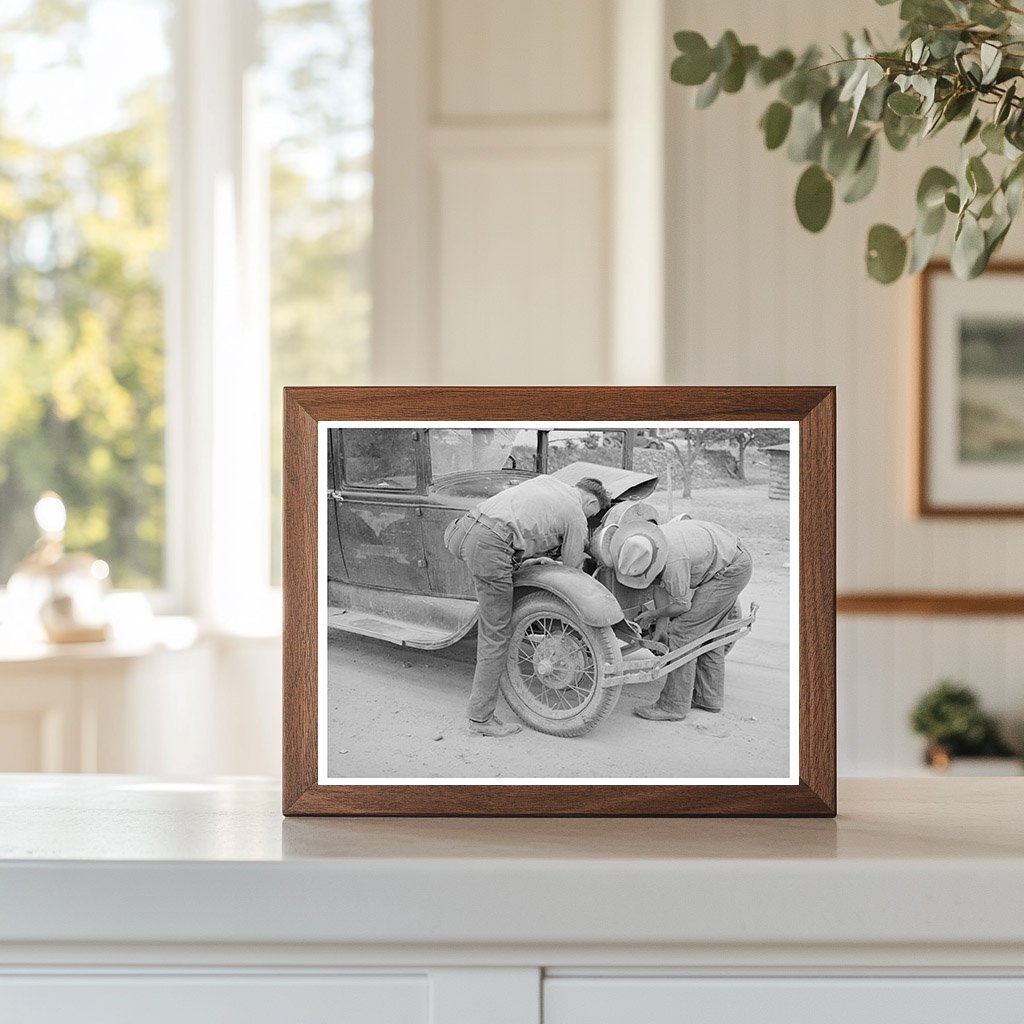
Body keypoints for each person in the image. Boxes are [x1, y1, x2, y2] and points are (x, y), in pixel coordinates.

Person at [444, 475, 611, 736]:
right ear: (590, 501)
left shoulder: (549, 482)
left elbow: (522, 522)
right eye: (594, 513)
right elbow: (571, 571)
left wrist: (520, 563)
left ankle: (481, 715)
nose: (591, 518)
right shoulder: (576, 513)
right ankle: (480, 720)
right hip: (490, 544)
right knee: (496, 634)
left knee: (497, 597)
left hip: (462, 529)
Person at [612, 517, 753, 721]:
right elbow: (660, 587)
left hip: (731, 571)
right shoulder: (651, 542)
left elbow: (681, 605)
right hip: (729, 556)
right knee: (708, 635)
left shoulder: (674, 561)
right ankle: (708, 698)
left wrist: (654, 615)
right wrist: (661, 626)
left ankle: (673, 706)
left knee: (682, 632)